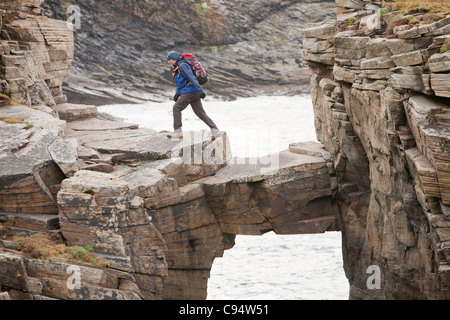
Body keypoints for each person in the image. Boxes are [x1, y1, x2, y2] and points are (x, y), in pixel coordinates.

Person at [166, 51, 220, 140]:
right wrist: (177, 93)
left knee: (176, 108)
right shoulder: (179, 67)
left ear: (174, 59)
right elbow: (183, 83)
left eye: (169, 60)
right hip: (192, 91)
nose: (168, 62)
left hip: (190, 91)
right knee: (200, 112)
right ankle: (215, 130)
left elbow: (192, 77)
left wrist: (200, 90)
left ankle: (178, 132)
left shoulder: (182, 66)